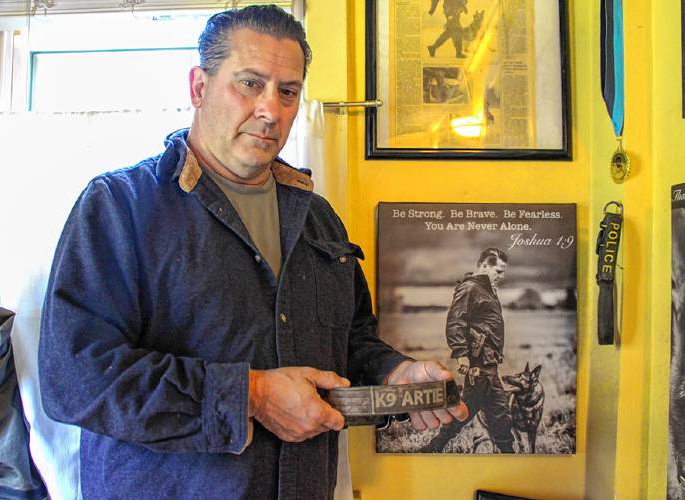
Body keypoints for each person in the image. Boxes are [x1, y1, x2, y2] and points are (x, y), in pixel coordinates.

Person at [38, 5, 467, 499]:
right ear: (199, 87)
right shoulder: (119, 207)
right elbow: (76, 378)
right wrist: (253, 395)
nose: (271, 109)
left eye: (287, 92)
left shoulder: (318, 219)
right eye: (249, 83)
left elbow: (350, 344)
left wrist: (397, 374)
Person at [421, 248, 514, 453]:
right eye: (498, 271)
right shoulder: (470, 288)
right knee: (494, 411)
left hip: (488, 362)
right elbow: (456, 321)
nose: (502, 276)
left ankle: (434, 447)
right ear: (483, 266)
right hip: (479, 364)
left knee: (479, 410)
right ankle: (508, 452)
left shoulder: (487, 289)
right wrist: (461, 354)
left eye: (503, 272)